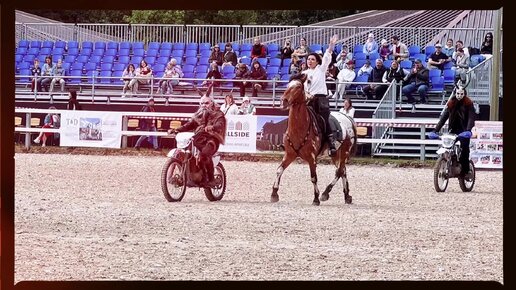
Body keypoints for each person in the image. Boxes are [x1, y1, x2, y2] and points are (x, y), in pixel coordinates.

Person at [168, 96, 226, 187]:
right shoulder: (198, 115)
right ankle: (190, 175)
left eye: (206, 103)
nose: (204, 105)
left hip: (212, 138)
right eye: (202, 103)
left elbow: (220, 124)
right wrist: (177, 130)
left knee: (204, 154)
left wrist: (213, 127)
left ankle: (211, 179)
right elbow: (189, 125)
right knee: (189, 152)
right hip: (199, 138)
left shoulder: (218, 114)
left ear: (212, 103)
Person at [300, 34, 338, 156]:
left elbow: (327, 56)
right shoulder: (304, 73)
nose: (309, 61)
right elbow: (303, 88)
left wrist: (331, 45)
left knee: (324, 119)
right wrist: (306, 94)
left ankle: (331, 143)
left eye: (312, 59)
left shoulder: (321, 70)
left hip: (320, 100)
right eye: (308, 59)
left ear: (317, 62)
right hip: (308, 100)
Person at [429, 86, 476, 178]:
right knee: (447, 146)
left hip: (464, 130)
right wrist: (435, 130)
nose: (459, 96)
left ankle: (465, 171)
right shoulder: (451, 103)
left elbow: (471, 117)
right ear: (455, 93)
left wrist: (468, 130)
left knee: (465, 150)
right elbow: (444, 117)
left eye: (461, 94)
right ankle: (449, 163)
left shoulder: (468, 104)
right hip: (452, 130)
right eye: (458, 93)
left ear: (464, 94)